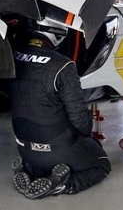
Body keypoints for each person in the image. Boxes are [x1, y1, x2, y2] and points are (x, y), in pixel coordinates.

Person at [9, 18, 111, 199]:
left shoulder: (13, 57)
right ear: (58, 33)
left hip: (24, 148)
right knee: (102, 164)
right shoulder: (63, 65)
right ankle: (63, 185)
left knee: (46, 158)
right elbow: (81, 121)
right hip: (57, 149)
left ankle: (30, 170)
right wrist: (86, 137)